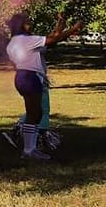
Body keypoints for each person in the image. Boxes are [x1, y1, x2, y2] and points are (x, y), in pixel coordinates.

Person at [6, 13, 82, 160]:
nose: (30, 24)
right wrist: (73, 29)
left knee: (37, 113)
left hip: (23, 77)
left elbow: (52, 39)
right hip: (30, 77)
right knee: (34, 113)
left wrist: (61, 24)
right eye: (27, 22)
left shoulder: (15, 42)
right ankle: (29, 150)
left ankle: (31, 148)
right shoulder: (25, 40)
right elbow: (53, 39)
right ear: (21, 25)